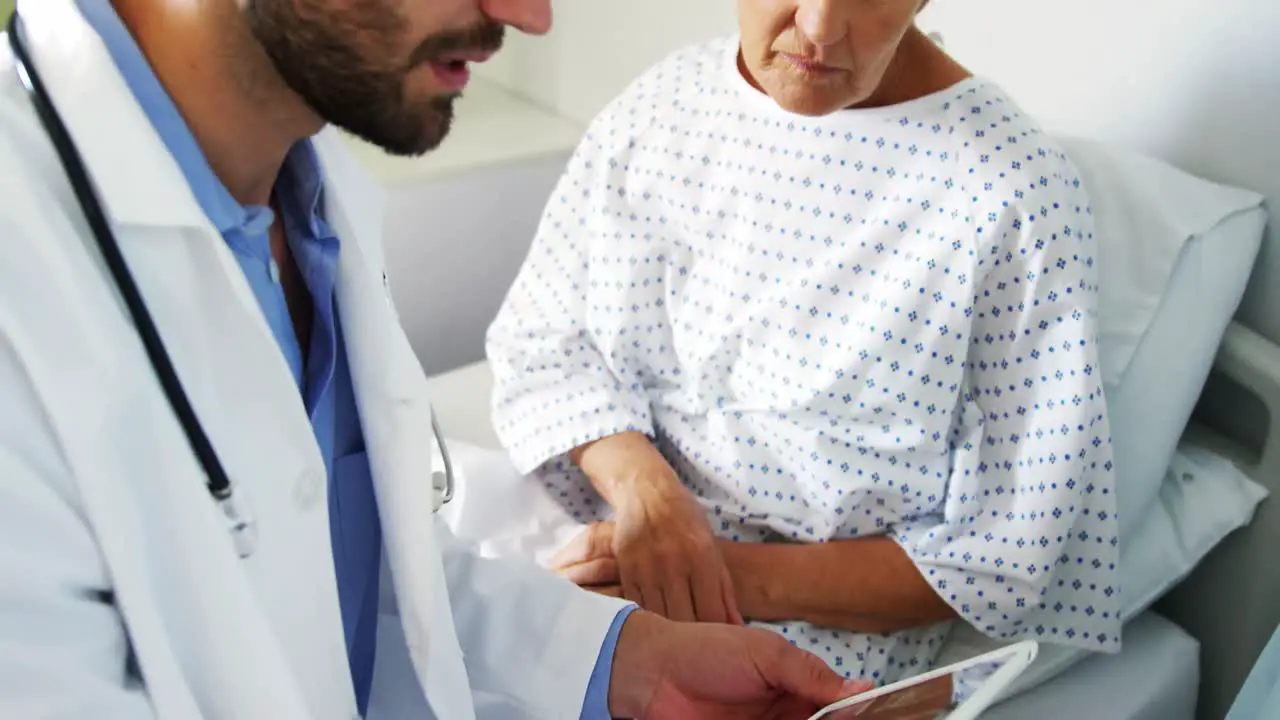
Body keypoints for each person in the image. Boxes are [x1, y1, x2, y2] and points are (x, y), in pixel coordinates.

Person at [0, 0, 877, 717]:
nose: (527, 17)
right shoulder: (25, 276)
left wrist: (626, 662)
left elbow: (346, 570)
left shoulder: (309, 194)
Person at [486, 0, 1123, 694]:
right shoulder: (667, 104)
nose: (818, 28)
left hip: (799, 627)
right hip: (615, 539)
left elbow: (1001, 557)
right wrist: (651, 500)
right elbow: (543, 342)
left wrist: (702, 573)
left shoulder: (1013, 195)